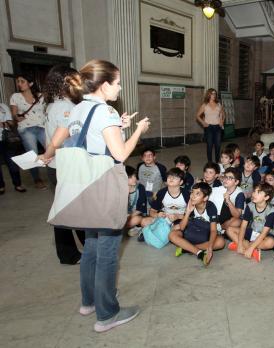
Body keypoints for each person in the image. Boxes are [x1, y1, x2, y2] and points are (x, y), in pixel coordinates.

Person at [65, 59, 150, 332]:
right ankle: (107, 314)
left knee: (90, 246)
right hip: (104, 187)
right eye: (117, 82)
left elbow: (93, 142)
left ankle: (88, 302)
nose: (120, 87)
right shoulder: (106, 112)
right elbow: (121, 154)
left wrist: (119, 127)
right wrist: (137, 130)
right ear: (103, 85)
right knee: (108, 251)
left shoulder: (78, 109)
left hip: (83, 185)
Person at [40, 65, 86, 264]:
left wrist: (48, 155)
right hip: (66, 166)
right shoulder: (66, 107)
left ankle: (70, 252)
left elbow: (47, 135)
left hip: (57, 165)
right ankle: (72, 253)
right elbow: (58, 139)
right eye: (76, 80)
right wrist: (46, 154)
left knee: (64, 209)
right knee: (74, 210)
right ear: (66, 82)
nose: (80, 84)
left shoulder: (50, 104)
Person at [168, 182, 225, 264]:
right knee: (172, 234)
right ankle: (199, 253)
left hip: (205, 236)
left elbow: (213, 230)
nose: (193, 196)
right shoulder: (191, 204)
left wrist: (210, 247)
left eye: (197, 194)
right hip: (191, 232)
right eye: (192, 192)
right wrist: (188, 212)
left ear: (205, 198)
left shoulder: (210, 207)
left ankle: (186, 248)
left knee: (220, 242)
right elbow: (182, 228)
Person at [9, 72, 47, 189]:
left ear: (30, 83)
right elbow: (14, 114)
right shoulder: (15, 96)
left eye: (22, 81)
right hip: (26, 128)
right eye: (18, 81)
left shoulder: (41, 96)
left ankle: (58, 173)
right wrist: (16, 117)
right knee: (32, 154)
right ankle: (37, 179)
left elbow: (46, 110)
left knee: (52, 149)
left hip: (42, 127)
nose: (19, 84)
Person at [226, 183, 274, 262]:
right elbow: (243, 226)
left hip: (265, 236)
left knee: (271, 243)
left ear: (266, 197)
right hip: (252, 232)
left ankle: (246, 247)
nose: (254, 194)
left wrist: (250, 248)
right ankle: (246, 248)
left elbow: (264, 233)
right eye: (254, 191)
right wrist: (239, 244)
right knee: (229, 229)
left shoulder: (271, 211)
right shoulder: (250, 205)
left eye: (258, 192)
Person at [0, 102, 25, 193]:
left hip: (8, 139)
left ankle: (17, 184)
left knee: (12, 162)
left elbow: (11, 122)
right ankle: (1, 186)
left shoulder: (3, 106)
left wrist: (3, 124)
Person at [196, 88, 224, 162]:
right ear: (209, 94)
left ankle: (217, 162)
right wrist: (203, 123)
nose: (214, 95)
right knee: (209, 146)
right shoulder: (205, 105)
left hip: (218, 127)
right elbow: (198, 116)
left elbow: (223, 114)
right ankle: (210, 163)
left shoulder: (218, 104)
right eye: (212, 93)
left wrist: (222, 121)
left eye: (215, 93)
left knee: (218, 146)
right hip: (209, 128)